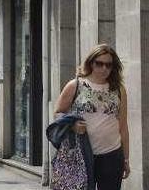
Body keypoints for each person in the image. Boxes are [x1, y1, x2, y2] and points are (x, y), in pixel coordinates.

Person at [54, 44, 130, 190]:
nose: (104, 69)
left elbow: (123, 126)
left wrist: (126, 158)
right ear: (91, 63)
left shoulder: (119, 89)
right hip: (80, 154)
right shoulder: (76, 85)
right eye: (99, 64)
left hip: (112, 154)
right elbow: (58, 113)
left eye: (108, 65)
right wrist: (73, 125)